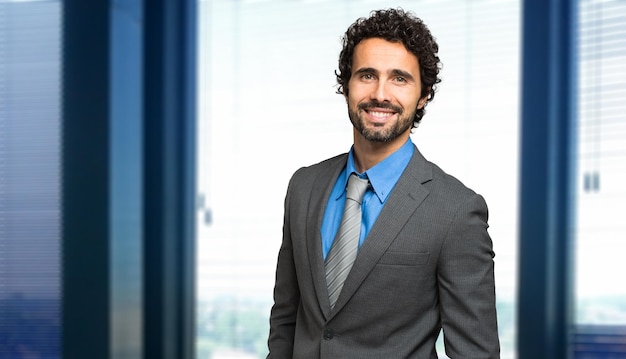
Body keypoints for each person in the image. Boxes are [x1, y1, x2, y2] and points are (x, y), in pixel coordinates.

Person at [267, 8, 499, 358]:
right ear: (346, 86)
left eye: (400, 79)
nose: (380, 93)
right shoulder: (304, 187)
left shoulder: (455, 210)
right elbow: (286, 319)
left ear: (423, 95)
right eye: (367, 75)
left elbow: (475, 353)